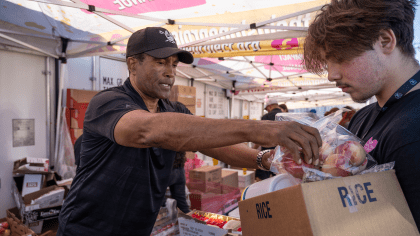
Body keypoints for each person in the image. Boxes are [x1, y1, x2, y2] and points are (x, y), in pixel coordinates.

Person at [57, 27, 322, 236]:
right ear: (133, 64)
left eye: (173, 64)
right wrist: (257, 129)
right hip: (86, 228)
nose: (170, 73)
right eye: (161, 62)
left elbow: (215, 145)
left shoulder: (175, 109)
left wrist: (267, 160)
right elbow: (146, 130)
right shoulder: (108, 103)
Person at [304, 0, 420, 230]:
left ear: (385, 41)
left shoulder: (414, 127)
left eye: (340, 57)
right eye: (327, 62)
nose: (331, 75)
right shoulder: (361, 118)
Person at [252, 98, 283, 180]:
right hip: (281, 154)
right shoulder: (285, 116)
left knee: (262, 179)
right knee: (279, 179)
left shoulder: (266, 117)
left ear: (269, 107)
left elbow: (261, 136)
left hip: (266, 154)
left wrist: (253, 149)